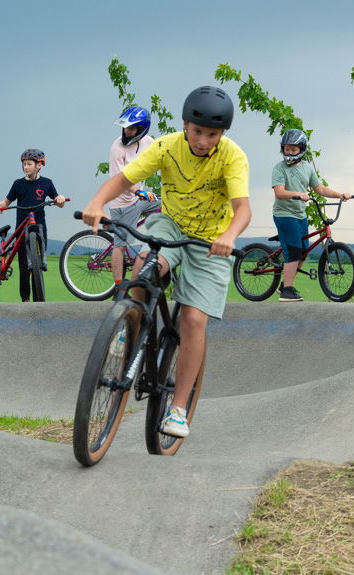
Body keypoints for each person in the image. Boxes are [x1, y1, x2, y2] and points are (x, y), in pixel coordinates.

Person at [81, 85, 251, 438]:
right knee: (144, 267)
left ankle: (178, 409)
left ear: (222, 134)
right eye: (198, 131)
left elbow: (243, 208)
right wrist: (97, 203)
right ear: (185, 124)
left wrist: (230, 236)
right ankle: (130, 327)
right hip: (171, 224)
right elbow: (123, 179)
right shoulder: (166, 146)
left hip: (211, 240)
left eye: (213, 134)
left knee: (192, 320)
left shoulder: (232, 157)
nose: (203, 141)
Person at [271, 129, 352, 302]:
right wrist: (298, 194)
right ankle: (287, 291)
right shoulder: (279, 168)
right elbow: (279, 192)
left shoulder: (307, 168)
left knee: (303, 252)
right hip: (284, 214)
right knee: (294, 252)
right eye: (287, 149)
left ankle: (285, 284)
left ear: (301, 150)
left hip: (300, 215)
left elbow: (320, 189)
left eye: (293, 149)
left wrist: (340, 195)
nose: (289, 152)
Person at [0, 148, 67, 302]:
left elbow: (59, 202)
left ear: (39, 165)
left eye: (29, 164)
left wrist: (61, 198)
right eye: (24, 164)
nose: (26, 167)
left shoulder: (47, 183)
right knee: (24, 266)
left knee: (37, 265)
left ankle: (38, 301)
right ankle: (25, 299)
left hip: (39, 228)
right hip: (22, 228)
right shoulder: (18, 184)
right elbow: (6, 202)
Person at [107, 106, 161, 287]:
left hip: (140, 199)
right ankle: (118, 287)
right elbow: (119, 179)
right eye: (125, 128)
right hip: (122, 203)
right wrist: (138, 191)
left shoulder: (148, 142)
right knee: (121, 246)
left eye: (131, 129)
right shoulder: (117, 148)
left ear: (141, 129)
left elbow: (163, 156)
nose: (127, 132)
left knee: (169, 204)